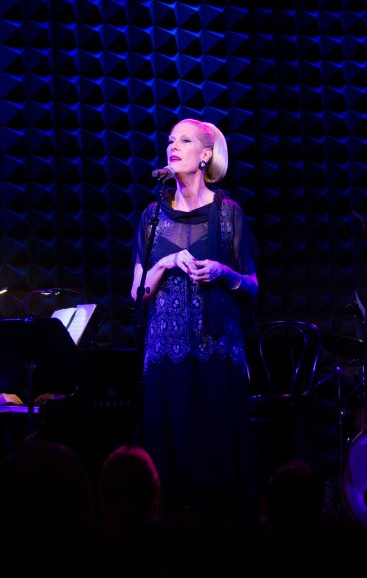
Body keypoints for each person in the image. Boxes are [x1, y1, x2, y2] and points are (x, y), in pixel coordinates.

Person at [131, 118, 260, 528]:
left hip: (217, 353)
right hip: (165, 359)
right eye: (170, 141)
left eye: (184, 140)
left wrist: (225, 272)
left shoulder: (229, 214)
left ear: (206, 155)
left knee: (217, 459)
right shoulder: (152, 217)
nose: (172, 146)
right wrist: (165, 263)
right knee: (169, 459)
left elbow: (252, 284)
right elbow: (137, 293)